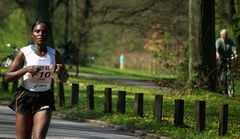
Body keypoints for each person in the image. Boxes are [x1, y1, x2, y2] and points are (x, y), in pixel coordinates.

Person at [4, 20, 69, 139]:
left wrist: (62, 72)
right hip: (25, 97)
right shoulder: (25, 52)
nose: (40, 34)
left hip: (44, 98)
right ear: (32, 34)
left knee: (39, 137)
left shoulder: (54, 54)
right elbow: (7, 77)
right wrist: (25, 69)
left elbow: (64, 79)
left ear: (48, 35)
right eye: (37, 31)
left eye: (44, 32)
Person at [215, 29, 237, 95]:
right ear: (220, 35)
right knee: (221, 70)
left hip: (228, 58)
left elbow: (233, 48)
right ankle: (218, 79)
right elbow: (217, 50)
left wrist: (235, 54)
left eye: (225, 34)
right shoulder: (218, 41)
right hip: (221, 58)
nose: (224, 36)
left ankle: (229, 88)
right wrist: (218, 55)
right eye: (223, 35)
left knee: (229, 71)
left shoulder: (230, 41)